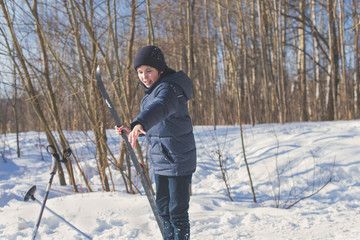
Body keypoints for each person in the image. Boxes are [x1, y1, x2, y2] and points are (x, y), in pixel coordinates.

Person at [115, 45, 196, 240]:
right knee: (162, 210)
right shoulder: (151, 92)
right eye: (140, 72)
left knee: (177, 212)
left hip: (177, 160)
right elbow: (158, 124)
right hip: (161, 160)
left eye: (148, 71)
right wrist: (134, 129)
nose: (144, 77)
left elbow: (161, 108)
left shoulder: (170, 89)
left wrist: (140, 121)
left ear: (160, 69)